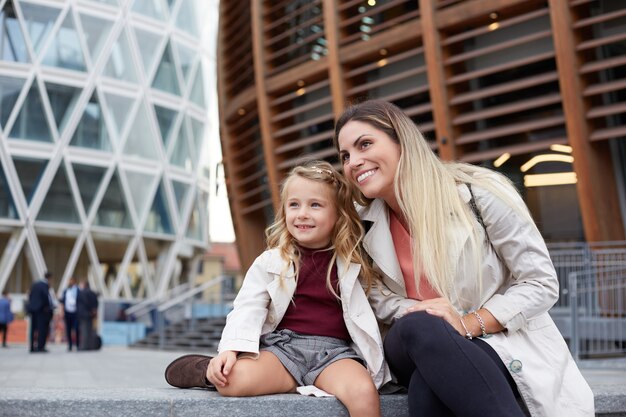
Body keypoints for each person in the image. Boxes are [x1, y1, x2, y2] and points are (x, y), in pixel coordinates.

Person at [334, 99, 594, 417]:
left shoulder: (480, 194)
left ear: (402, 141)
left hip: (496, 340)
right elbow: (376, 299)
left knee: (428, 389)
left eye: (365, 144)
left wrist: (465, 324)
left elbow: (540, 283)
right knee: (421, 326)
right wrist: (430, 314)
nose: (354, 162)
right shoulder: (359, 226)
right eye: (345, 155)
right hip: (408, 342)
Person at [165, 161, 391, 417]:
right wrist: (228, 350)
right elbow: (248, 307)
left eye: (315, 205)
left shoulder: (353, 262)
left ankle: (304, 380)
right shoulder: (271, 261)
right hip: (283, 350)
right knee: (231, 381)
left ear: (338, 215)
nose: (302, 213)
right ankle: (208, 369)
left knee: (364, 393)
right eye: (294, 205)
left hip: (334, 354)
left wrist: (415, 308)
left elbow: (382, 301)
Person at [27, 272, 54, 353]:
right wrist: (48, 306)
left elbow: (30, 295)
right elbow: (46, 296)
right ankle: (40, 347)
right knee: (41, 329)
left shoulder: (35, 284)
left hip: (33, 309)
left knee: (33, 329)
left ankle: (32, 347)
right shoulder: (45, 285)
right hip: (41, 311)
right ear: (49, 278)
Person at [59, 277, 80, 351]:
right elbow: (62, 302)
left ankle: (77, 344)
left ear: (74, 281)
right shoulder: (66, 290)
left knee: (77, 329)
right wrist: (62, 312)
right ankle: (70, 345)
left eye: (71, 281)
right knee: (68, 329)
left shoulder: (78, 290)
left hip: (75, 312)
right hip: (67, 312)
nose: (69, 282)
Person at [77, 280, 98, 350]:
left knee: (84, 331)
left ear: (84, 285)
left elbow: (83, 304)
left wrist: (87, 311)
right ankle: (90, 346)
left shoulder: (82, 293)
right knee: (90, 331)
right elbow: (95, 303)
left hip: (84, 314)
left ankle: (85, 346)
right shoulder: (93, 293)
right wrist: (93, 311)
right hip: (91, 315)